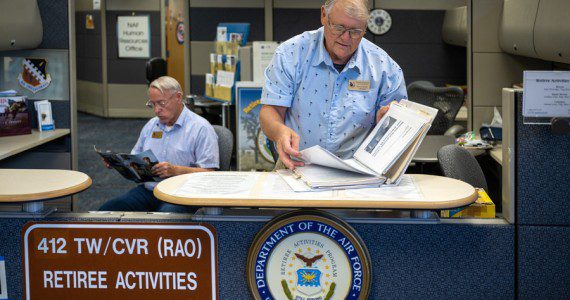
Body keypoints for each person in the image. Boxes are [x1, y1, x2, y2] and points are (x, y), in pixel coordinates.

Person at [259, 0, 407, 170]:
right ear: (324, 15)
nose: (345, 38)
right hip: (297, 166)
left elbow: (399, 129)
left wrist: (389, 121)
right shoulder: (291, 54)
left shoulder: (385, 69)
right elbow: (270, 111)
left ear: (365, 27)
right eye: (339, 27)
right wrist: (279, 132)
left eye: (355, 31)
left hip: (357, 173)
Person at [99, 76, 219, 213]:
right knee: (107, 211)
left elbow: (210, 174)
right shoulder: (151, 125)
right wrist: (117, 163)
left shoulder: (201, 128)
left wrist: (175, 170)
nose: (156, 110)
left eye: (161, 103)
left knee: (163, 220)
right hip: (150, 191)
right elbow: (134, 158)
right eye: (152, 104)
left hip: (182, 195)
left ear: (178, 98)